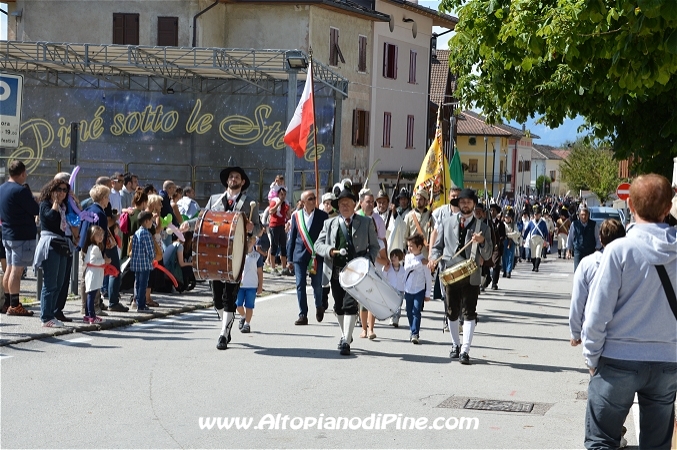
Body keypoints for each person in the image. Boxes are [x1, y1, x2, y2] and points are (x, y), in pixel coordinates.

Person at [582, 174, 677, 449]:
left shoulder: (619, 250)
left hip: (618, 358)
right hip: (667, 360)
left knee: (601, 440)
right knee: (657, 444)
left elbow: (597, 312)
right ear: (667, 208)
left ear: (631, 206)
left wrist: (592, 355)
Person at [188, 167, 260, 350]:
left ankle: (223, 334)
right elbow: (203, 219)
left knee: (230, 296)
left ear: (242, 182)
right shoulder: (215, 200)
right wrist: (187, 225)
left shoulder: (250, 202)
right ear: (227, 181)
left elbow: (259, 228)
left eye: (237, 177)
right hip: (214, 253)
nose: (233, 179)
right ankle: (226, 323)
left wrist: (252, 230)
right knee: (217, 299)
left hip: (236, 256)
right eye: (231, 176)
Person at [428, 188, 493, 365]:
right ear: (458, 204)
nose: (465, 204)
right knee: (451, 311)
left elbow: (488, 255)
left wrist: (482, 242)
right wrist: (433, 259)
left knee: (469, 312)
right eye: (462, 202)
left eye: (468, 202)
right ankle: (455, 344)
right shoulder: (446, 223)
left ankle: (465, 349)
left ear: (473, 204)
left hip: (471, 275)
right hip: (450, 274)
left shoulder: (483, 227)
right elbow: (437, 247)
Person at [315, 187, 379, 356]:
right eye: (341, 204)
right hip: (335, 271)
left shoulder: (365, 222)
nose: (344, 206)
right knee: (338, 306)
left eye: (348, 203)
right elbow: (317, 245)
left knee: (350, 305)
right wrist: (328, 250)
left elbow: (375, 247)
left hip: (357, 273)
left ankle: (345, 339)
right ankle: (346, 334)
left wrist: (368, 261)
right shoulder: (329, 224)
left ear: (354, 205)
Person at [569, 219, 626, 346]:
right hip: (624, 334)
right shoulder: (632, 264)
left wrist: (575, 332)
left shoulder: (587, 263)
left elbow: (577, 300)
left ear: (600, 238)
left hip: (594, 331)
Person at [0, 161, 39, 316]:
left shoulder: (2, 188)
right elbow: (35, 209)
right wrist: (35, 202)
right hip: (21, 235)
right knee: (16, 271)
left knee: (9, 268)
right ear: (22, 173)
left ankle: (8, 302)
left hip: (7, 233)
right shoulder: (20, 191)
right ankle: (15, 306)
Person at [33, 179, 73, 327]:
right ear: (51, 190)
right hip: (50, 244)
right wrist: (55, 204)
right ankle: (46, 316)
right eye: (59, 189)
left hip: (62, 244)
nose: (62, 193)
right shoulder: (45, 204)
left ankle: (52, 313)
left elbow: (76, 216)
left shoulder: (64, 206)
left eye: (64, 190)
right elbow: (49, 218)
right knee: (50, 283)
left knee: (59, 283)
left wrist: (72, 199)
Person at [286, 190, 329, 325]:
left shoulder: (323, 216)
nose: (313, 201)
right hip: (299, 255)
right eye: (310, 199)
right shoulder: (296, 216)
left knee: (317, 285)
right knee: (300, 285)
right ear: (303, 202)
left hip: (316, 255)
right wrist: (289, 259)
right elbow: (292, 238)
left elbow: (326, 237)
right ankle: (303, 314)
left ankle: (319, 306)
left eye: (314, 198)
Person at [356, 189, 388, 339]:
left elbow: (382, 239)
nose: (370, 204)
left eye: (371, 202)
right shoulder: (356, 218)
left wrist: (383, 257)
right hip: (359, 262)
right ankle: (363, 328)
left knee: (373, 297)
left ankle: (371, 328)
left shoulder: (378, 219)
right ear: (361, 203)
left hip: (374, 262)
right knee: (363, 298)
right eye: (367, 201)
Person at [403, 234, 432, 344]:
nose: (409, 248)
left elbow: (428, 278)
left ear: (420, 247)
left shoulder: (425, 261)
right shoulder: (408, 257)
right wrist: (419, 263)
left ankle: (415, 333)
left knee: (416, 311)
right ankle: (412, 329)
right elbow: (406, 268)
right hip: (408, 289)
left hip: (419, 290)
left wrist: (428, 293)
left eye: (412, 246)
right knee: (409, 312)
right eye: (408, 246)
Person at [82, 225, 108, 324]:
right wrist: (104, 261)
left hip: (92, 273)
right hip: (93, 274)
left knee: (90, 294)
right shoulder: (95, 248)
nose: (100, 236)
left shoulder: (91, 247)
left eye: (101, 234)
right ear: (91, 236)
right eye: (97, 234)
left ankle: (87, 315)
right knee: (91, 296)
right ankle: (91, 316)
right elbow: (93, 261)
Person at [131, 211, 155, 312]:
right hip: (144, 264)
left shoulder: (137, 232)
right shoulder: (146, 234)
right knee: (143, 285)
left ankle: (136, 302)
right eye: (151, 221)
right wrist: (153, 258)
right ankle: (141, 305)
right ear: (146, 221)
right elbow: (149, 250)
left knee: (137, 283)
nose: (152, 223)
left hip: (136, 263)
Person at [236, 237, 260, 333]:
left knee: (249, 306)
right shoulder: (239, 255)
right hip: (240, 285)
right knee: (238, 305)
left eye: (251, 241)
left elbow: (260, 272)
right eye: (247, 241)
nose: (248, 243)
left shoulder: (257, 256)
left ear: (254, 242)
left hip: (252, 285)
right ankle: (243, 316)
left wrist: (260, 285)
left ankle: (247, 324)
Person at [567, 204, 600, 271]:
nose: (584, 216)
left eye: (585, 214)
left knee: (590, 271)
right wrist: (569, 250)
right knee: (577, 271)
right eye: (582, 214)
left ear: (588, 214)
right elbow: (570, 237)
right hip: (578, 251)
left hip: (590, 252)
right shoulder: (574, 224)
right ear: (579, 214)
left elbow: (597, 238)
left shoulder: (594, 225)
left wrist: (597, 249)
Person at [402, 188, 434, 258]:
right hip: (412, 253)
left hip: (426, 253)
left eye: (421, 199)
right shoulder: (409, 216)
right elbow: (404, 235)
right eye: (417, 199)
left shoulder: (431, 215)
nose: (418, 201)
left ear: (426, 201)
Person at [268, 187, 291, 275]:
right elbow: (271, 211)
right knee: (274, 246)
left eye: (284, 194)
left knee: (283, 247)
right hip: (274, 226)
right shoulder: (274, 201)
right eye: (282, 194)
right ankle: (273, 268)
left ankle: (284, 268)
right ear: (278, 194)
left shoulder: (286, 204)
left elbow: (288, 216)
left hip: (282, 226)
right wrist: (278, 204)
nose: (283, 196)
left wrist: (289, 211)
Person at [383, 248, 406, 327]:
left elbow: (405, 280)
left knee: (398, 306)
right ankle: (392, 318)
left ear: (399, 258)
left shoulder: (403, 269)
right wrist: (385, 271)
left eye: (395, 257)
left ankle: (396, 319)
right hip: (391, 289)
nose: (393, 258)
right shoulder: (387, 268)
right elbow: (383, 277)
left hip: (400, 290)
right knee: (391, 305)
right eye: (392, 256)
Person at [522, 206, 549, 272]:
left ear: (540, 215)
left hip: (540, 239)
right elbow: (527, 231)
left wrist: (547, 241)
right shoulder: (531, 223)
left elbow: (546, 232)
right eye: (535, 214)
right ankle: (534, 266)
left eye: (537, 214)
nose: (536, 216)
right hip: (532, 240)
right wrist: (524, 239)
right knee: (533, 255)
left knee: (538, 253)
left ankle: (537, 267)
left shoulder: (543, 223)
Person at [488, 204, 505, 290]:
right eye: (491, 210)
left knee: (495, 265)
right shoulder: (486, 222)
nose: (492, 212)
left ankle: (494, 283)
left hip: (496, 247)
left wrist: (497, 242)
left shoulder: (500, 224)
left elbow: (503, 236)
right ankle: (485, 281)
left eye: (494, 210)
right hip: (487, 246)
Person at [502, 209, 520, 278]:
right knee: (504, 257)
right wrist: (510, 234)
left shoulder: (514, 225)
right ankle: (504, 270)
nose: (507, 219)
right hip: (504, 241)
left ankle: (508, 271)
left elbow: (517, 233)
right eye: (506, 217)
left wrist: (509, 235)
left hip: (511, 242)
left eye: (509, 217)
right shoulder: (502, 225)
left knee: (510, 257)